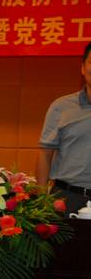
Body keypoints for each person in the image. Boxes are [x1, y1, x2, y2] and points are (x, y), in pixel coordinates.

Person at [36, 41, 91, 214]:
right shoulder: (61, 107)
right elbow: (45, 154)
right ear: (83, 68)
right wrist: (40, 199)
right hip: (66, 198)